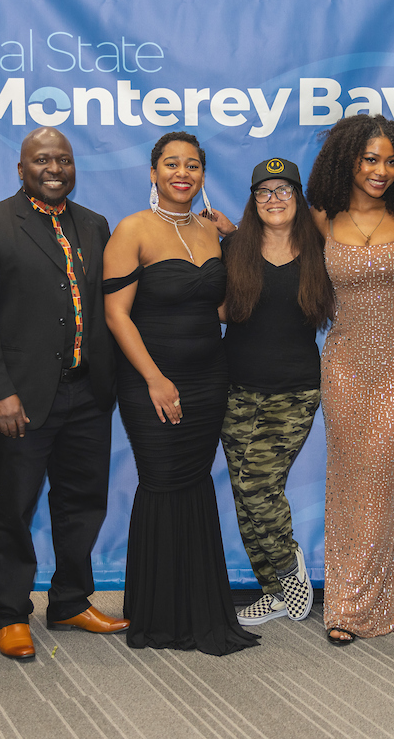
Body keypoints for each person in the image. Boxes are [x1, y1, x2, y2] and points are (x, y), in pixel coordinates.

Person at [0, 126, 127, 661]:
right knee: (15, 507)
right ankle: (10, 613)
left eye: (64, 160)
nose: (55, 169)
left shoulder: (94, 225)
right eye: (43, 160)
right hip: (21, 400)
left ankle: (71, 600)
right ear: (22, 167)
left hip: (87, 394)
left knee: (82, 504)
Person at [103, 131, 259, 655]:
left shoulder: (211, 230)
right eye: (171, 163)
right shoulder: (134, 229)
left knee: (194, 485)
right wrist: (153, 377)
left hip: (208, 379)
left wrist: (235, 238)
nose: (182, 172)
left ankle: (198, 607)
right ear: (153, 173)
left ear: (202, 175)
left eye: (192, 164)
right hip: (152, 380)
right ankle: (156, 612)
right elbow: (115, 314)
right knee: (163, 481)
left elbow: (217, 308)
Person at [306, 114, 394, 646]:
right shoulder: (322, 217)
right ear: (347, 160)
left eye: (390, 160)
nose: (380, 170)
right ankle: (355, 601)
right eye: (370, 159)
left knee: (383, 472)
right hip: (346, 362)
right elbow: (276, 254)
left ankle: (365, 602)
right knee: (350, 477)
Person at [220, 157, 334, 626]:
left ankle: (289, 571)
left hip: (294, 390)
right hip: (235, 388)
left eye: (283, 190)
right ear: (253, 201)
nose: (274, 199)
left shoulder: (323, 250)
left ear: (298, 197)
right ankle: (274, 591)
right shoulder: (233, 248)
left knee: (258, 484)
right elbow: (223, 312)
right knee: (242, 494)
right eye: (264, 192)